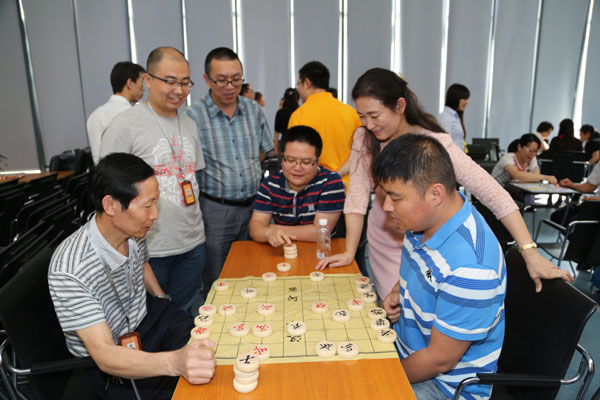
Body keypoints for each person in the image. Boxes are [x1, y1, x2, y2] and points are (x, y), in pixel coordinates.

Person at [316, 68, 571, 299]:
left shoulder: (433, 143)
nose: (368, 124)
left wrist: (529, 252)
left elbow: (493, 193)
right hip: (385, 238)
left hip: (428, 243)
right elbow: (357, 197)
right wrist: (350, 251)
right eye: (362, 116)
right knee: (392, 308)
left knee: (423, 311)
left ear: (400, 105)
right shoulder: (365, 137)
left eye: (374, 115)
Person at [48, 153, 216, 400]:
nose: (155, 214)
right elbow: (104, 354)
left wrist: (160, 297)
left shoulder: (132, 228)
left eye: (155, 203)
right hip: (113, 356)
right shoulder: (70, 269)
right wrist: (175, 363)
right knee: (190, 389)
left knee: (212, 348)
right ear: (111, 205)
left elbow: (142, 262)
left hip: (148, 316)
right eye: (147, 205)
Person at [375, 134, 505, 400]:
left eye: (395, 197)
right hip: (406, 350)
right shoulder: (420, 221)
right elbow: (423, 269)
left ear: (436, 194)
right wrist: (398, 291)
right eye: (384, 194)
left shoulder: (471, 269)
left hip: (445, 386)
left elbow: (439, 360)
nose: (386, 207)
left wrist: (381, 377)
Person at [100, 47, 207, 314]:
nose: (179, 90)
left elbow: (193, 175)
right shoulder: (125, 124)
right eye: (170, 81)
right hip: (148, 249)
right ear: (147, 80)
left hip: (192, 241)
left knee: (185, 314)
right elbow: (106, 185)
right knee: (149, 318)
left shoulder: (190, 124)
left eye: (185, 83)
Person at [185, 47, 273, 297]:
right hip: (216, 210)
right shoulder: (192, 117)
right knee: (217, 277)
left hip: (256, 206)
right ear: (207, 79)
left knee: (256, 270)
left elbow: (264, 150)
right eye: (221, 80)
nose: (230, 86)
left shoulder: (253, 110)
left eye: (236, 79)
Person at [249, 126, 345, 247]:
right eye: (290, 160)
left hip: (321, 250)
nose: (297, 168)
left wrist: (272, 228)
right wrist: (268, 232)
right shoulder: (270, 183)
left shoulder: (330, 182)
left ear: (317, 162)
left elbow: (319, 233)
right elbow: (255, 228)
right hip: (282, 249)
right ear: (282, 158)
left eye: (306, 162)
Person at [288, 61, 361, 188]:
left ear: (307, 83)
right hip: (346, 188)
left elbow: (295, 159)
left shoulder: (299, 115)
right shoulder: (351, 113)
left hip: (313, 189)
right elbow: (360, 152)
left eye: (298, 84)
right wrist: (336, 176)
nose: (298, 89)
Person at [87, 61, 145, 164]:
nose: (143, 89)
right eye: (141, 83)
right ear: (130, 83)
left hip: (106, 173)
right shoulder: (135, 115)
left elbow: (98, 160)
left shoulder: (94, 116)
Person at [491, 133, 557, 185]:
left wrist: (518, 180)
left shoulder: (532, 158)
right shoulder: (507, 158)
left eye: (536, 151)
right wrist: (546, 177)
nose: (533, 154)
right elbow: (516, 174)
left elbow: (536, 178)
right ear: (520, 147)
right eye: (531, 151)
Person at [438, 83, 470, 151]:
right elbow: (445, 144)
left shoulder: (454, 116)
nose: (467, 102)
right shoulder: (445, 118)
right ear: (455, 98)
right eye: (464, 99)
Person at [274, 88, 300, 154]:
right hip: (299, 143)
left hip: (285, 143)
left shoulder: (280, 112)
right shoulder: (300, 112)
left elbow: (276, 132)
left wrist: (276, 148)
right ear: (297, 99)